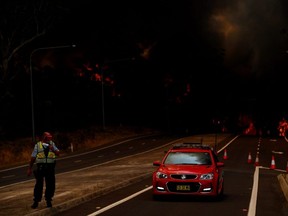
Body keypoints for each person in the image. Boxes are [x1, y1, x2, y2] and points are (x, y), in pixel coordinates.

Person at [27, 132, 60, 209]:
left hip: (50, 168)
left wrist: (53, 149)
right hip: (41, 168)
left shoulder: (52, 144)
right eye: (49, 136)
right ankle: (36, 201)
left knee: (50, 185)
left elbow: (58, 153)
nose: (50, 137)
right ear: (44, 137)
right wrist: (29, 168)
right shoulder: (38, 146)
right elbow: (33, 158)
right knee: (39, 185)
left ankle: (48, 200)